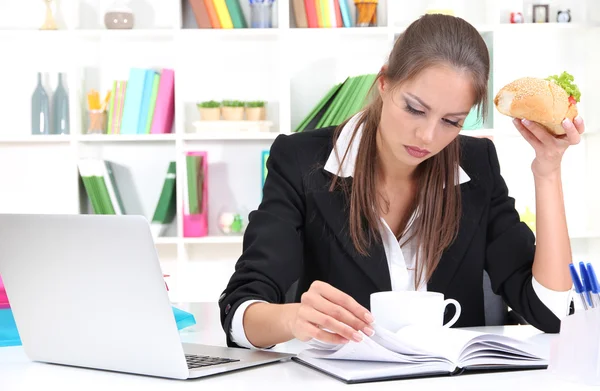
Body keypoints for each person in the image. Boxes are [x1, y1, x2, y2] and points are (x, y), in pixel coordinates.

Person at [218, 14, 585, 349]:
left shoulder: (477, 165)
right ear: (384, 82)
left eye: (451, 121)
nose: (427, 136)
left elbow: (550, 313)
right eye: (414, 108)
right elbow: (240, 311)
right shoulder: (302, 160)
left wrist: (548, 170)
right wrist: (292, 318)